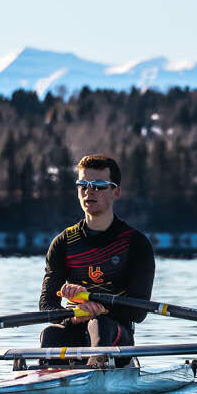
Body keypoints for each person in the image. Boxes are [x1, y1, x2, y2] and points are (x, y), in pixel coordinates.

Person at [39, 154, 155, 367]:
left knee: (100, 324)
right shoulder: (63, 243)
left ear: (116, 192)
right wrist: (75, 316)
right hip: (74, 325)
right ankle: (48, 380)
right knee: (51, 333)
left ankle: (96, 369)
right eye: (83, 184)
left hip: (116, 336)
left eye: (99, 185)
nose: (89, 191)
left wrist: (98, 308)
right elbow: (47, 305)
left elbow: (138, 311)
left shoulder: (136, 244)